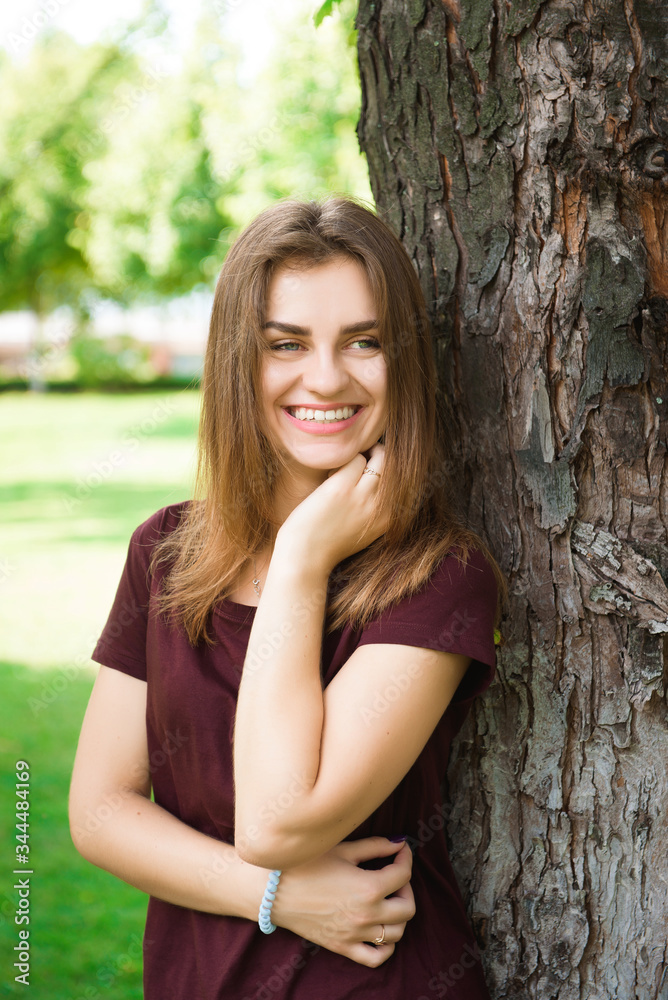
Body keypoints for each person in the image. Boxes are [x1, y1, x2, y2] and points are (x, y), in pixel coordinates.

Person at [69, 196, 505, 1000]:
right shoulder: (165, 554)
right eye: (286, 344)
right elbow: (98, 810)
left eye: (364, 342)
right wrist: (276, 897)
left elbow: (277, 819)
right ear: (242, 359)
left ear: (400, 359)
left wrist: (302, 555)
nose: (327, 377)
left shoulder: (440, 576)